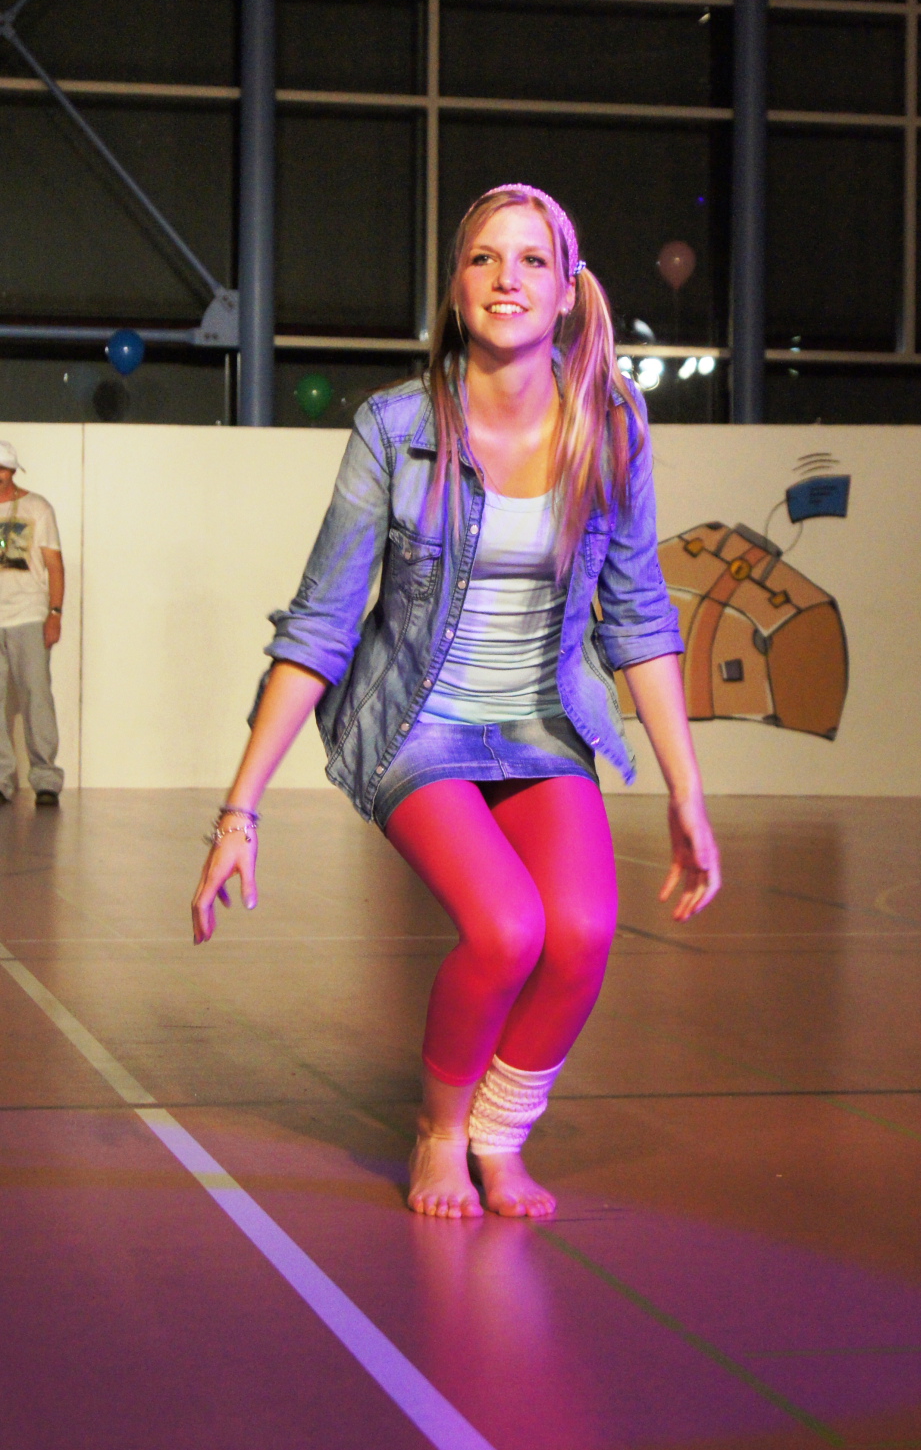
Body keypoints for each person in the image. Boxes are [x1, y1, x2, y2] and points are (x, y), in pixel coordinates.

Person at [191, 185, 721, 1219]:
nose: (505, 279)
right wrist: (238, 810)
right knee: (506, 929)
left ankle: (500, 1136)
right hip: (418, 723)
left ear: (567, 292)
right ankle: (440, 1132)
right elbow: (320, 624)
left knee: (582, 931)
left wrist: (686, 791)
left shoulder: (612, 425)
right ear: (457, 287)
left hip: (541, 720)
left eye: (531, 261)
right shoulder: (396, 428)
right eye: (484, 259)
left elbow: (639, 614)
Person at [0, 440, 65, 807]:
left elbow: (54, 564)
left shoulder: (37, 507)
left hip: (28, 615)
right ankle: (0, 781)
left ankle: (45, 779)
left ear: (13, 470)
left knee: (36, 698)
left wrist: (54, 613)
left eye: (3, 468)